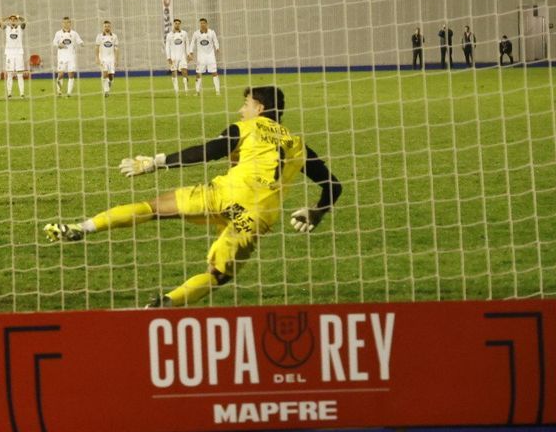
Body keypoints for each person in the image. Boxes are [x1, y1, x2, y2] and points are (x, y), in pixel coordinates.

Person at [43, 86, 343, 308]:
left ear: (260, 109)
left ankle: (83, 228)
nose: (241, 110)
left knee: (154, 207)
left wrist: (155, 162)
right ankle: (165, 305)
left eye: (246, 104)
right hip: (257, 216)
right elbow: (333, 184)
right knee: (217, 276)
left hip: (222, 194)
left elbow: (208, 152)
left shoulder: (247, 127)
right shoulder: (298, 145)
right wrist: (318, 211)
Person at [51, 17, 84, 97]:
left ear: (70, 23)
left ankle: (69, 93)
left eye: (68, 22)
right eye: (64, 22)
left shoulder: (74, 33)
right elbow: (54, 42)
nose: (66, 24)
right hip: (62, 56)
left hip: (71, 56)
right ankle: (59, 91)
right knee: (61, 74)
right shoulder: (58, 33)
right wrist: (59, 45)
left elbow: (79, 41)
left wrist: (82, 44)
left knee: (71, 74)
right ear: (62, 23)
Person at [0, 13, 28, 98]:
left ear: (17, 20)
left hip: (19, 53)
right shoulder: (6, 28)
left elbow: (25, 21)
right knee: (10, 74)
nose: (13, 20)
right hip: (9, 53)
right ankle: (9, 93)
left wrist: (19, 17)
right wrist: (7, 17)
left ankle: (22, 93)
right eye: (11, 19)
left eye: (14, 19)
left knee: (19, 74)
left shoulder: (20, 28)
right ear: (10, 21)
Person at [189, 18, 221, 95]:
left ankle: (217, 91)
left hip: (210, 56)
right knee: (198, 74)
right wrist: (191, 52)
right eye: (201, 23)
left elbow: (215, 41)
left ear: (207, 24)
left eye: (203, 23)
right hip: (201, 57)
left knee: (214, 72)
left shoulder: (212, 32)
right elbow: (192, 43)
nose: (202, 24)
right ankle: (197, 91)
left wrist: (217, 48)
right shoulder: (196, 33)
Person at [164, 19, 191, 93]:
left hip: (182, 56)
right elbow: (167, 47)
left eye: (179, 23)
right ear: (173, 24)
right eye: (176, 23)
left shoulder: (184, 33)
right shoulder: (169, 35)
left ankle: (186, 89)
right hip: (173, 57)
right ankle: (176, 90)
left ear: (180, 25)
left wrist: (188, 54)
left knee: (184, 72)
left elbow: (187, 44)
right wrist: (168, 57)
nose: (177, 25)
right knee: (174, 73)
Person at [95, 21, 119, 96]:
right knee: (105, 73)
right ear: (103, 27)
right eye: (105, 26)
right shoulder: (99, 36)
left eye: (108, 26)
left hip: (111, 58)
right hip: (102, 58)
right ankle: (106, 91)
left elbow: (116, 49)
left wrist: (116, 59)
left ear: (110, 27)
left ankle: (108, 84)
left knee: (111, 76)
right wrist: (97, 58)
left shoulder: (114, 36)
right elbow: (96, 47)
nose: (107, 27)